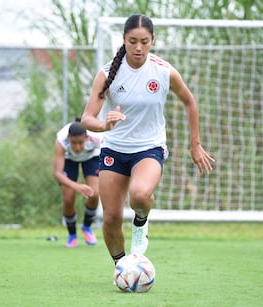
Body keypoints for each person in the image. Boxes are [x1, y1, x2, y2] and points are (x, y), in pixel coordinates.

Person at [81, 14, 214, 264]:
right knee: (110, 218)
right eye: (132, 41)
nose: (138, 47)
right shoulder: (108, 73)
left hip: (148, 148)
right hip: (113, 150)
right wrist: (104, 124)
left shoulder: (164, 71)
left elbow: (189, 102)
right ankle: (123, 267)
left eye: (144, 41)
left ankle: (141, 222)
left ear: (152, 40)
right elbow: (87, 118)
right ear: (124, 40)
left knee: (140, 195)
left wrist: (194, 144)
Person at [53, 117, 103, 248]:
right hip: (69, 160)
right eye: (73, 143)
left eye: (80, 143)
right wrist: (77, 187)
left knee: (94, 194)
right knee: (69, 198)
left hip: (92, 157)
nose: (77, 147)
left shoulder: (97, 138)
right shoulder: (61, 141)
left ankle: (86, 227)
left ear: (87, 138)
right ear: (68, 139)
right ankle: (72, 234)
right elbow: (57, 174)